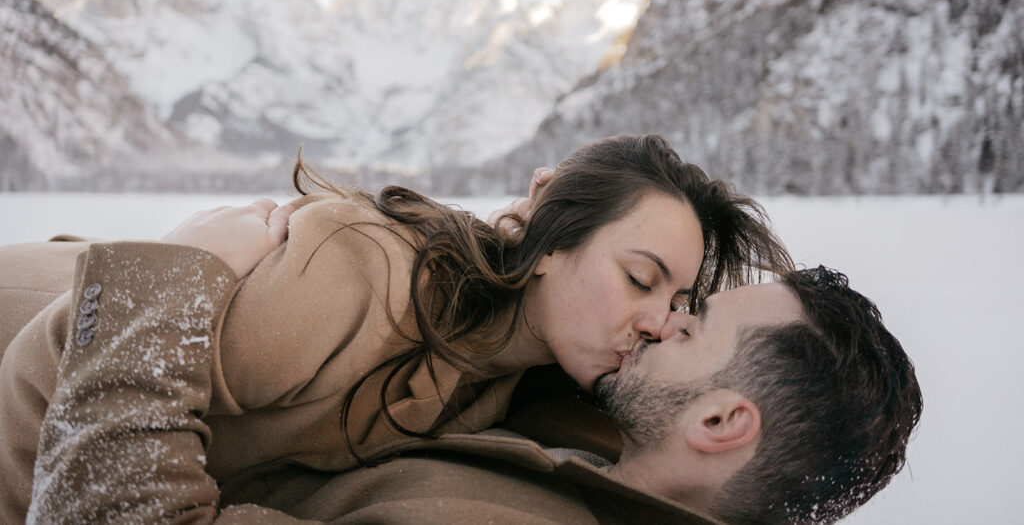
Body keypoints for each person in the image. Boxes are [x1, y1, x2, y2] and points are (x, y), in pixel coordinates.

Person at [0, 133, 793, 522]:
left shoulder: (511, 380)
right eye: (639, 278)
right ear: (550, 239)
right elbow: (47, 374)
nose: (657, 323)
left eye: (681, 302)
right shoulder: (369, 282)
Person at [25, 218, 921, 525]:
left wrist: (171, 278)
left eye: (691, 331)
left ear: (722, 424)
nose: (659, 324)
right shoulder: (603, 448)